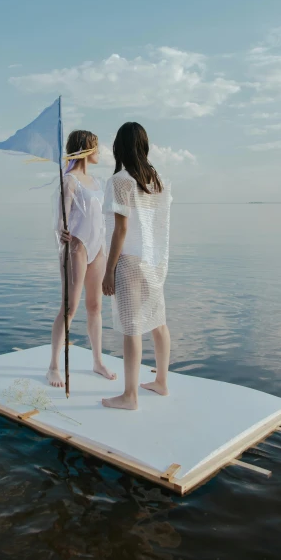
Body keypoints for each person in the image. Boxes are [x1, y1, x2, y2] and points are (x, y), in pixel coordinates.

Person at [102, 122, 172, 410]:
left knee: (131, 326)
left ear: (119, 146)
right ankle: (161, 383)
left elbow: (120, 230)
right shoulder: (156, 180)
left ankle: (130, 395)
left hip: (128, 261)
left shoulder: (120, 181)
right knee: (158, 322)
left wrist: (108, 270)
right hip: (153, 261)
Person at [47, 129, 117, 388]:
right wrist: (61, 231)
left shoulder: (96, 182)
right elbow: (61, 218)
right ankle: (54, 365)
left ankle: (97, 361)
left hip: (98, 247)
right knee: (69, 307)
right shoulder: (69, 180)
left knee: (95, 306)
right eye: (96, 147)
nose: (99, 152)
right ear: (85, 148)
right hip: (78, 246)